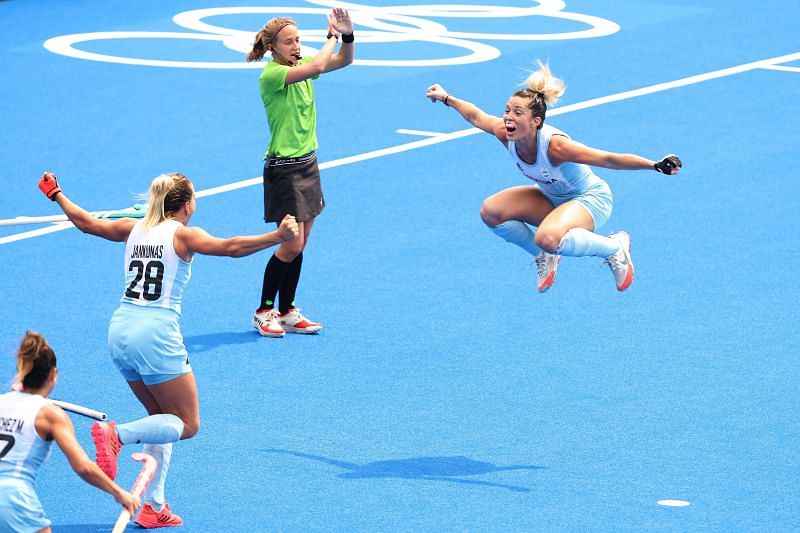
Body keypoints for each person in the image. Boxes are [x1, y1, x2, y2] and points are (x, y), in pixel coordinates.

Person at [37, 171, 298, 528]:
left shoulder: (133, 228)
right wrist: (278, 236)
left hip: (120, 330)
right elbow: (232, 247)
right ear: (187, 204)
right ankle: (117, 435)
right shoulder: (183, 235)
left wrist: (58, 195)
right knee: (187, 424)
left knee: (161, 419)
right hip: (155, 333)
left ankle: (153, 506)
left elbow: (85, 223)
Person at [426, 62, 681, 293]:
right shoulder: (505, 134)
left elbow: (607, 159)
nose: (508, 117)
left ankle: (615, 247)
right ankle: (544, 256)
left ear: (536, 121)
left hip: (590, 201)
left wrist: (654, 165)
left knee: (547, 237)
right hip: (553, 199)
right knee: (491, 211)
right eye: (507, 110)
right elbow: (476, 116)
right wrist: (446, 97)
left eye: (517, 112)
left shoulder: (557, 147)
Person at [245, 8, 355, 337]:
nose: (296, 46)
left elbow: (344, 61)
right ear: (272, 47)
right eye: (289, 42)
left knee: (301, 243)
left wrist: (347, 35)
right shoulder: (272, 75)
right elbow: (321, 63)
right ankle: (264, 311)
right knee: (290, 244)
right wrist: (331, 37)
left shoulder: (299, 63)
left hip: (308, 163)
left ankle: (288, 310)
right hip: (284, 169)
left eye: (298, 40)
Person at [0, 331, 139, 532]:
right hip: (13, 499)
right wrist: (119, 493)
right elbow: (83, 467)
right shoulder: (50, 415)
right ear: (53, 375)